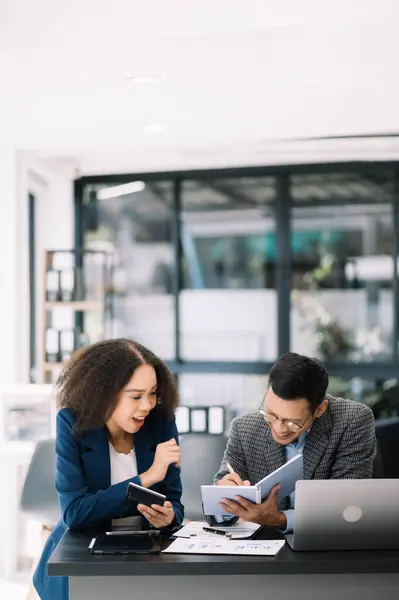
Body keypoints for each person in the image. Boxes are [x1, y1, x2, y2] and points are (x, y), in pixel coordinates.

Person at [33, 339, 184, 600]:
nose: (147, 405)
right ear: (104, 394)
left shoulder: (161, 424)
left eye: (152, 393)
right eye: (136, 396)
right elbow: (75, 513)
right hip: (83, 556)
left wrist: (168, 518)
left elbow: (175, 504)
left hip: (144, 554)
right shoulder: (72, 424)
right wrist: (147, 478)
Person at [213, 353, 376, 532]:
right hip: (264, 547)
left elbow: (348, 506)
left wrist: (280, 519)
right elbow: (214, 513)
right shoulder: (244, 428)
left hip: (326, 545)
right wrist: (224, 500)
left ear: (320, 409)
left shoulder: (351, 421)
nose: (279, 428)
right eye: (271, 414)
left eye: (292, 422)